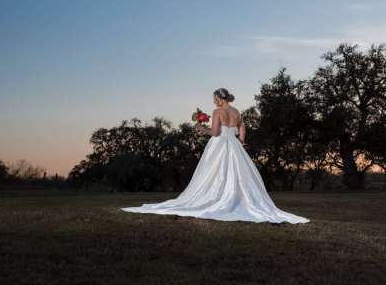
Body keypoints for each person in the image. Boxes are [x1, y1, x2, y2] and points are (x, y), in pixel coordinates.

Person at [121, 88, 309, 224]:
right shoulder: (236, 111)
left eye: (214, 98)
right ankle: (237, 198)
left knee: (212, 173)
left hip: (219, 144)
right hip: (234, 145)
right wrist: (242, 140)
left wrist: (200, 128)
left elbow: (216, 133)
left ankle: (218, 199)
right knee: (238, 174)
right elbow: (242, 126)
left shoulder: (218, 112)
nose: (214, 102)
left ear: (220, 98)